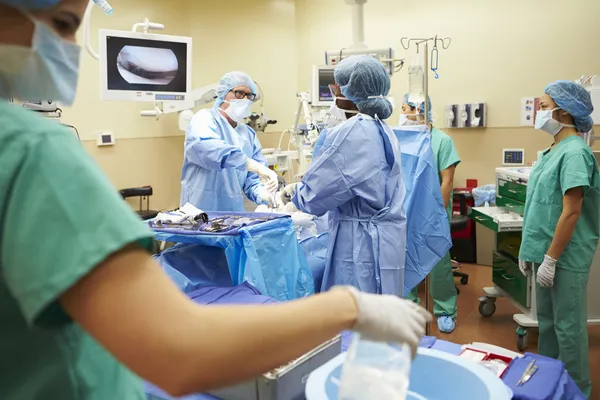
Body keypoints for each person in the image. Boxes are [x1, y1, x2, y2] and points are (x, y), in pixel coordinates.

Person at [0, 1, 432, 398]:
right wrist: (347, 307)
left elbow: (256, 176)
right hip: (200, 213)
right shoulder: (37, 150)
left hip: (239, 217)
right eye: (61, 22)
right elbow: (176, 344)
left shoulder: (250, 131)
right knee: (194, 279)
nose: (71, 45)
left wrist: (265, 190)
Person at [281, 55, 407, 297]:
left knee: (356, 321)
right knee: (383, 317)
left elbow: (316, 196)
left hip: (361, 245)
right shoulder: (383, 128)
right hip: (387, 239)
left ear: (348, 91)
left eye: (336, 87)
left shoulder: (352, 132)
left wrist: (294, 193)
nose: (333, 91)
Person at [518, 80, 599, 397]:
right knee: (549, 326)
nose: (537, 110)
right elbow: (540, 205)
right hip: (545, 252)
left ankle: (577, 391)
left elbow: (571, 211)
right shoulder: (552, 150)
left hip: (565, 256)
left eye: (542, 104)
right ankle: (550, 386)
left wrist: (551, 257)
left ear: (563, 112)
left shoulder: (576, 153)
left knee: (569, 330)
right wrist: (531, 250)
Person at [399, 94, 460, 333]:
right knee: (406, 261)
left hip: (432, 213)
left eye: (405, 109)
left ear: (418, 110)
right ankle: (410, 309)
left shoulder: (442, 141)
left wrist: (435, 215)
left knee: (438, 264)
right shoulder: (403, 140)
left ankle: (445, 310)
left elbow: (447, 181)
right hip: (406, 210)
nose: (402, 115)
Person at [180, 71, 278, 211]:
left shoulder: (248, 134)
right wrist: (249, 163)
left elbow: (253, 180)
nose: (244, 99)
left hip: (233, 215)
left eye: (249, 95)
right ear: (223, 93)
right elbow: (210, 149)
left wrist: (264, 194)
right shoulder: (203, 119)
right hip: (199, 213)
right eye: (239, 93)